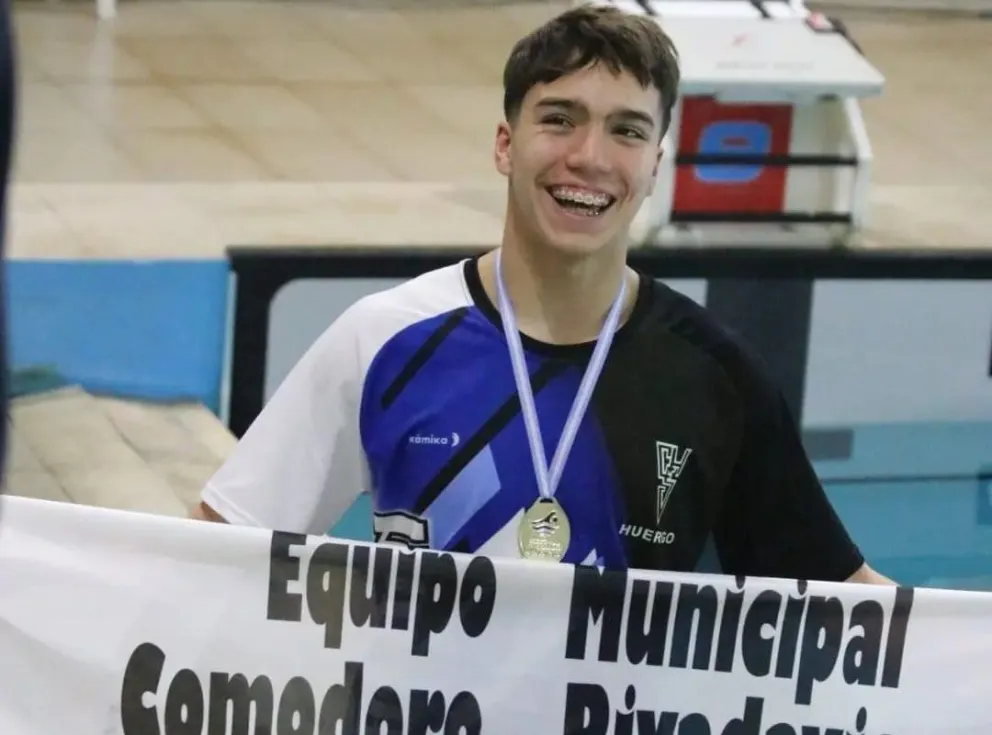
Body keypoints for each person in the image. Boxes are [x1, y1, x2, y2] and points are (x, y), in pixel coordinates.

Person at [193, 5, 891, 585]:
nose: (589, 157)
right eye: (560, 119)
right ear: (505, 144)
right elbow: (215, 551)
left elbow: (849, 608)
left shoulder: (716, 375)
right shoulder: (385, 339)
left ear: (655, 165)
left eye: (627, 130)